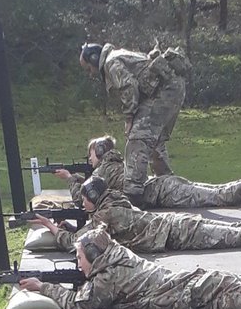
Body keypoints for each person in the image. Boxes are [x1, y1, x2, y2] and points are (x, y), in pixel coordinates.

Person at [17, 227, 241, 309]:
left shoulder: (107, 278)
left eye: (79, 258)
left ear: (93, 256)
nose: (77, 264)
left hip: (204, 292)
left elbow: (79, 305)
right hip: (202, 283)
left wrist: (44, 287)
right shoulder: (116, 257)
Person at [34, 174, 241, 254]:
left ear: (95, 199)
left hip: (177, 232)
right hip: (176, 226)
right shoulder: (113, 201)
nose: (83, 205)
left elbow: (76, 242)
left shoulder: (105, 216)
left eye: (85, 201)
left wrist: (51, 226)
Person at [56, 134, 241, 208]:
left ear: (99, 153)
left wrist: (70, 179)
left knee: (220, 197)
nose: (88, 159)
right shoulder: (115, 164)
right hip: (166, 184)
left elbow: (83, 198)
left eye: (90, 154)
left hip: (164, 192)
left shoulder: (103, 171)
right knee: (219, 191)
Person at [80, 40, 190, 198]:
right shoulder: (117, 56)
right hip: (170, 87)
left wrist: (129, 116)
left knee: (138, 137)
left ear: (94, 59)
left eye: (89, 68)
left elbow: (129, 86)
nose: (90, 73)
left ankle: (133, 193)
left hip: (165, 89)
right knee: (154, 139)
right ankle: (168, 184)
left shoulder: (111, 62)